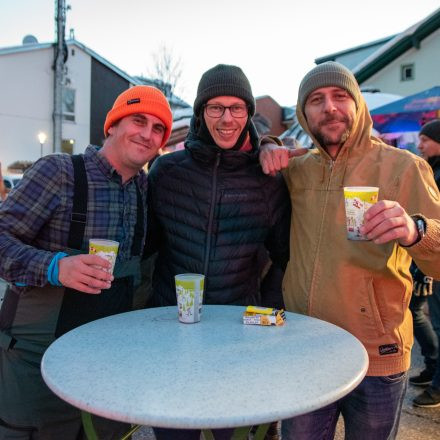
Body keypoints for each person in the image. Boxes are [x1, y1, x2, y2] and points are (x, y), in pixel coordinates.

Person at [259, 62, 440, 439]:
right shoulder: (299, 169)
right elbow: (271, 147)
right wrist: (268, 144)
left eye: (340, 96)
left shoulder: (403, 167)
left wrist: (415, 231)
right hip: (306, 349)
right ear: (303, 114)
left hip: (377, 354)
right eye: (316, 100)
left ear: (357, 105)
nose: (330, 108)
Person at [0, 85, 172, 439]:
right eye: (138, 120)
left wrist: (266, 144)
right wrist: (55, 266)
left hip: (106, 363)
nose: (147, 134)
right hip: (37, 362)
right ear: (111, 125)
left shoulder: (144, 189)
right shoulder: (59, 172)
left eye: (158, 129)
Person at [145, 64, 291, 439]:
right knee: (175, 431)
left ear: (248, 114)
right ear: (200, 113)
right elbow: (147, 246)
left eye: (237, 108)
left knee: (236, 432)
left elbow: (282, 256)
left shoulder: (268, 179)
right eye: (215, 107)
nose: (227, 119)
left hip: (237, 337)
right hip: (172, 335)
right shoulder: (167, 171)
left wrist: (268, 318)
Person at [410, 119, 440, 407]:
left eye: (425, 139)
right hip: (425, 262)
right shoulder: (431, 169)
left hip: (435, 262)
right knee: (415, 310)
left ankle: (438, 385)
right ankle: (433, 368)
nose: (419, 145)